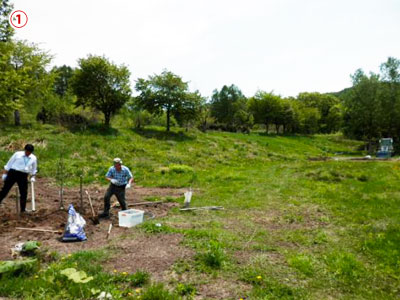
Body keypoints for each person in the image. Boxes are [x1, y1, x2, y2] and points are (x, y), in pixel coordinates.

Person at [0, 144, 37, 213]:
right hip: (13, 173)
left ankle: (23, 209)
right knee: (5, 189)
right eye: (27, 152)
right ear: (25, 150)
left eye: (30, 152)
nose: (28, 153)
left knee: (23, 193)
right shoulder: (17, 154)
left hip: (23, 175)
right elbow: (9, 164)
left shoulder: (33, 158)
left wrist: (33, 176)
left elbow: (34, 169)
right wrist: (5, 173)